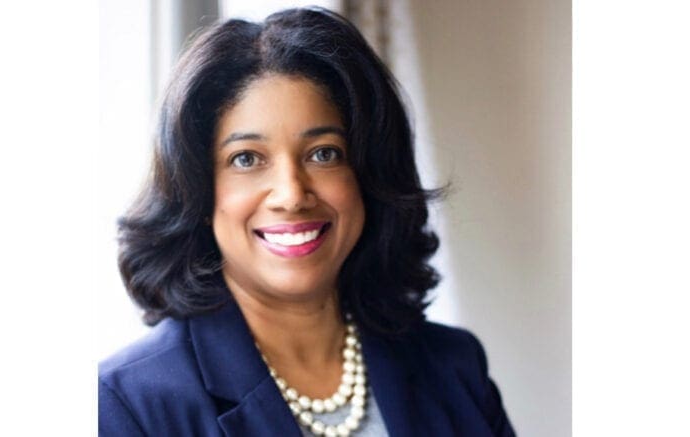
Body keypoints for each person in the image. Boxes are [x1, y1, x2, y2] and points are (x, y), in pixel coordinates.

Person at [99, 7, 515, 437]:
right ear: (200, 192)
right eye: (247, 159)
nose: (293, 194)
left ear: (367, 177)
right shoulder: (125, 405)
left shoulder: (454, 366)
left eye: (324, 153)